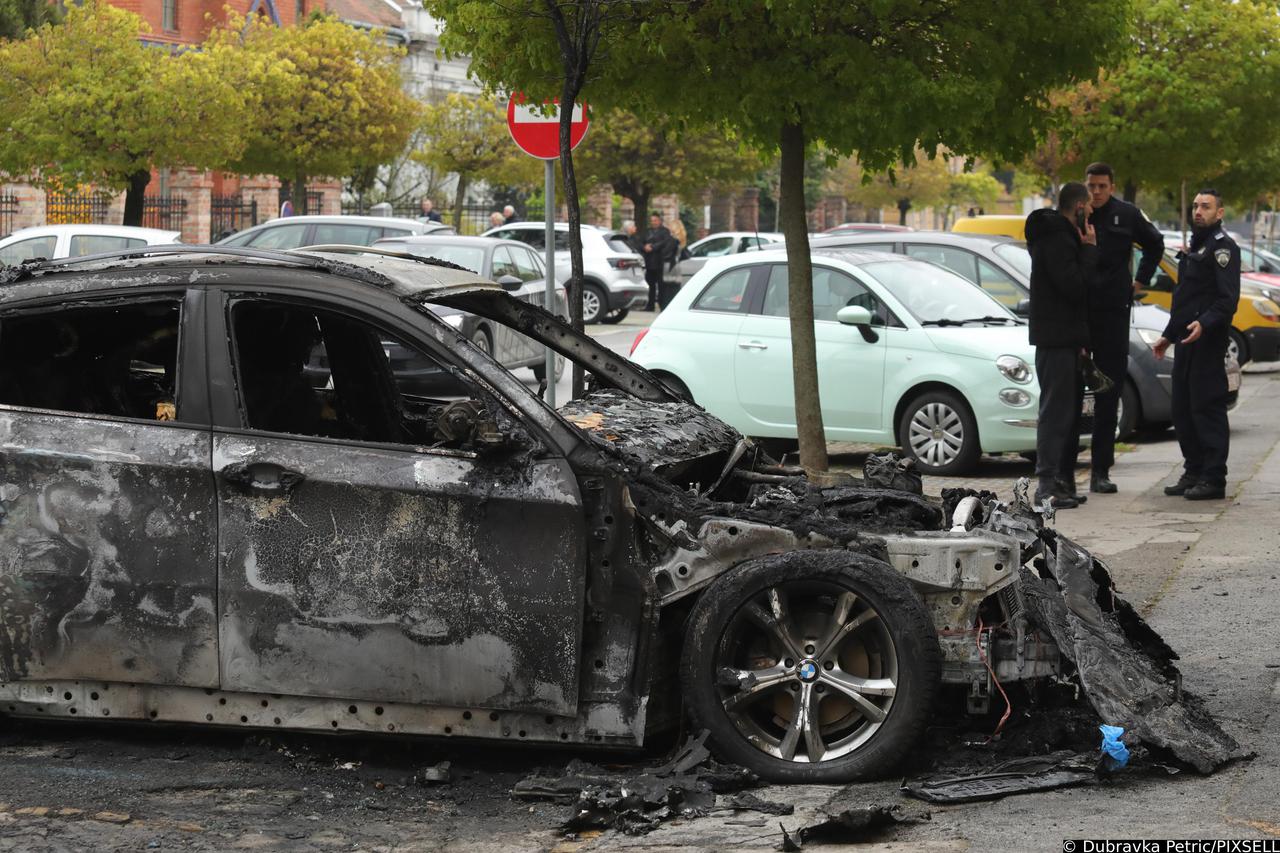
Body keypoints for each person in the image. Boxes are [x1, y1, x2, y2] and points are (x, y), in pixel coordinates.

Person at [1069, 162, 1164, 494]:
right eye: (1091, 185)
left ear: (1112, 187)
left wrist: (1140, 281)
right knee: (1071, 390)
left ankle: (1100, 470)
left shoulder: (1127, 214)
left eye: (1102, 187)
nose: (1095, 192)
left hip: (1113, 311)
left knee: (1108, 390)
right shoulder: (1077, 213)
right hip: (1080, 311)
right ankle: (1065, 472)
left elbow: (1155, 244)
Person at [1153, 189, 1240, 501]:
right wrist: (1168, 334)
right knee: (1183, 410)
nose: (1199, 211)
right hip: (1186, 341)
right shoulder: (1195, 248)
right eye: (1196, 206)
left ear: (1220, 213)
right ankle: (1194, 470)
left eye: (1206, 207)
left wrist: (1205, 323)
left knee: (1206, 408)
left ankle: (1214, 478)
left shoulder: (1223, 248)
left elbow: (1227, 299)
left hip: (1208, 342)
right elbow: (1185, 300)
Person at [1025, 182, 1097, 509]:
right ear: (1079, 206)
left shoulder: (1062, 236)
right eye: (1090, 207)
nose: (1092, 213)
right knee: (1055, 413)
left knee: (1065, 413)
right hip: (1056, 339)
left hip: (1065, 337)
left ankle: (1057, 483)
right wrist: (1089, 249)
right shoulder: (1057, 238)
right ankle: (1046, 487)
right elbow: (1075, 287)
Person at [641, 213, 674, 312]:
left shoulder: (665, 231)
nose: (653, 222)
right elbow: (642, 242)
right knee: (650, 285)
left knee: (661, 286)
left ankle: (662, 305)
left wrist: (653, 247)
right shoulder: (648, 231)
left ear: (659, 221)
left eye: (655, 220)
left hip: (660, 262)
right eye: (652, 221)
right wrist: (644, 247)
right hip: (649, 262)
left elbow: (664, 243)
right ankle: (650, 305)